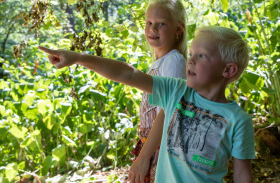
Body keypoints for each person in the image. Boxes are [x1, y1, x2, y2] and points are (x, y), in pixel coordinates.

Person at [39, 25, 255, 183]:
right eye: (191, 54)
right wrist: (78, 57)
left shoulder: (238, 120)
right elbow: (128, 74)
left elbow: (242, 173)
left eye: (202, 56)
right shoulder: (177, 91)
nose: (191, 60)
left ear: (228, 70)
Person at [130, 0, 187, 183]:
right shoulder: (161, 62)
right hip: (153, 145)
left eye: (161, 23)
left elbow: (167, 113)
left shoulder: (173, 61)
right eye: (148, 22)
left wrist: (144, 157)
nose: (153, 28)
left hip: (163, 148)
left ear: (178, 29)